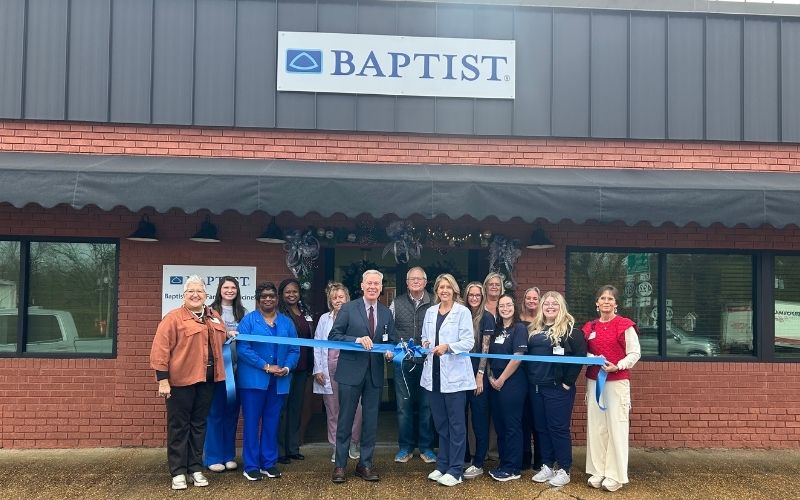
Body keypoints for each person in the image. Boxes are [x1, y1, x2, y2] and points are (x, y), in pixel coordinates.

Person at [150, 275, 227, 490]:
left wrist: (229, 333)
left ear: (206, 295)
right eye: (190, 291)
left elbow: (221, 340)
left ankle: (195, 468)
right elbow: (160, 350)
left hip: (207, 381)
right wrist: (162, 380)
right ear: (183, 295)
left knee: (199, 425)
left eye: (199, 291)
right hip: (180, 382)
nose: (195, 295)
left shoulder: (214, 316)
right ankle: (178, 472)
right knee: (179, 427)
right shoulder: (173, 318)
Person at [328, 270, 397, 484]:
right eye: (369, 283)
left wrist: (390, 351)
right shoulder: (348, 308)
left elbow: (391, 340)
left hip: (375, 374)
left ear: (381, 287)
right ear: (362, 285)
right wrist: (356, 340)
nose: (373, 287)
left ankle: (365, 464)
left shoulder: (386, 312)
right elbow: (334, 336)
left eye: (377, 284)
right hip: (350, 372)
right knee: (345, 419)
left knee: (371, 422)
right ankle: (340, 465)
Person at [236, 282, 300, 481]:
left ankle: (268, 463)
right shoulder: (248, 321)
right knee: (252, 423)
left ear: (277, 298)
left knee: (272, 423)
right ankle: (251, 465)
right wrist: (265, 366)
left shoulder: (286, 323)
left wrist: (287, 367)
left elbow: (295, 349)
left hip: (279, 381)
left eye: (271, 296)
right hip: (253, 381)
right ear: (258, 299)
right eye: (264, 296)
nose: (268, 299)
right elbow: (242, 348)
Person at [582, 285, 640, 492]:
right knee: (597, 427)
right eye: (602, 298)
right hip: (594, 381)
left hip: (616, 382)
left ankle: (615, 475)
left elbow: (634, 353)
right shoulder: (590, 327)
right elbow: (581, 351)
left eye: (610, 299)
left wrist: (618, 365)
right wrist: (594, 359)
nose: (606, 302)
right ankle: (598, 471)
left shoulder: (624, 325)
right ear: (597, 303)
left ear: (616, 303)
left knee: (616, 427)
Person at [420, 274, 476, 487]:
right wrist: (425, 343)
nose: (444, 290)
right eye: (441, 287)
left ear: (454, 290)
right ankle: (442, 464)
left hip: (455, 377)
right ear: (436, 290)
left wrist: (448, 347)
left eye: (448, 287)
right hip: (434, 375)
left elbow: (468, 342)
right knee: (441, 424)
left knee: (456, 425)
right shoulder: (430, 312)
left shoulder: (462, 312)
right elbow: (425, 337)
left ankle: (455, 470)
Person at [527, 291, 587, 487]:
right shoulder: (534, 329)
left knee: (558, 428)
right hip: (537, 388)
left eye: (555, 303)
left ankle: (564, 469)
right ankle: (547, 465)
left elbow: (579, 357)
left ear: (561, 307)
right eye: (547, 303)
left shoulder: (570, 331)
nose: (550, 306)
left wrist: (567, 383)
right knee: (542, 428)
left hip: (557, 388)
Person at [313, 282, 363, 463]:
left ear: (347, 298)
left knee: (356, 409)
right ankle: (336, 446)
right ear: (330, 300)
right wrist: (318, 369)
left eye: (341, 297)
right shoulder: (324, 319)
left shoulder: (356, 317)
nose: (338, 300)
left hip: (351, 368)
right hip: (329, 368)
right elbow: (318, 344)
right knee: (333, 410)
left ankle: (353, 443)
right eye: (334, 298)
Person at [390, 266, 435, 464]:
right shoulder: (396, 303)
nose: (416, 282)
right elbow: (389, 330)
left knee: (427, 406)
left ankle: (426, 448)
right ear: (407, 283)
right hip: (403, 363)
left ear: (425, 282)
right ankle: (405, 448)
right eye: (412, 279)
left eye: (419, 279)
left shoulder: (435, 302)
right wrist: (391, 349)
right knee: (403, 407)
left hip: (428, 363)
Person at [204, 276, 247, 473]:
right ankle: (213, 457)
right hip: (217, 370)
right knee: (215, 413)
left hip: (238, 370)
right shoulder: (210, 311)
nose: (230, 290)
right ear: (219, 290)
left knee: (232, 413)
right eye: (226, 287)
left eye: (233, 287)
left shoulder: (244, 313)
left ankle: (228, 455)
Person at [487, 293, 528, 482]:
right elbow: (487, 355)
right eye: (501, 306)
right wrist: (490, 377)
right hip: (494, 383)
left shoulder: (519, 328)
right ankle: (503, 464)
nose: (505, 308)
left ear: (514, 307)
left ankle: (513, 468)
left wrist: (502, 378)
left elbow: (518, 356)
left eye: (508, 305)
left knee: (512, 426)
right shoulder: (496, 330)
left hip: (512, 383)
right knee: (500, 426)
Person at [277, 278, 314, 464]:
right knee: (282, 409)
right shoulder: (278, 313)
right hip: (286, 368)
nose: (291, 295)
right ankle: (280, 451)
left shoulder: (304, 311)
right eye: (288, 292)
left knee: (295, 408)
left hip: (302, 367)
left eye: (295, 291)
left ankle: (293, 448)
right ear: (281, 294)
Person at [462, 281, 494, 480]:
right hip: (460, 373)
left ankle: (479, 461)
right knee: (460, 417)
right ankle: (464, 456)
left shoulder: (487, 317)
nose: (474, 298)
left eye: (477, 295)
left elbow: (485, 349)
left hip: (477, 374)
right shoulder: (461, 314)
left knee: (479, 419)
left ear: (482, 298)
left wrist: (480, 375)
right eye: (471, 295)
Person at [518, 286, 541, 473]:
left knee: (538, 418)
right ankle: (524, 456)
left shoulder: (543, 321)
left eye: (535, 298)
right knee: (523, 418)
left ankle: (540, 458)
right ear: (524, 300)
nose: (531, 301)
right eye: (528, 298)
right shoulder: (518, 320)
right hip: (519, 373)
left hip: (538, 374)